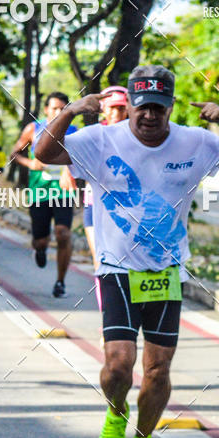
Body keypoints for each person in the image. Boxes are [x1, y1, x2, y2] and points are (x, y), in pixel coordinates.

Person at [36, 64, 219, 438]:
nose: (149, 116)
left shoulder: (194, 142)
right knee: (119, 365)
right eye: (142, 107)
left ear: (170, 106)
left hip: (166, 270)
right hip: (116, 267)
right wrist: (68, 112)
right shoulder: (101, 139)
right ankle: (116, 414)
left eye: (158, 107)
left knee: (157, 371)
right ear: (131, 105)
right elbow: (44, 153)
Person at [11, 92, 78, 298]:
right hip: (39, 192)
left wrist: (71, 171)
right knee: (41, 240)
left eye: (63, 108)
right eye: (54, 108)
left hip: (64, 191)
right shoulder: (33, 129)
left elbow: (84, 158)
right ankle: (40, 250)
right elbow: (15, 153)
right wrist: (31, 163)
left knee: (63, 233)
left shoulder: (75, 132)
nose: (58, 112)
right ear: (47, 110)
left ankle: (60, 282)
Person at [83, 86, 129, 300]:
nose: (115, 113)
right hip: (94, 207)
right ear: (102, 110)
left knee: (127, 264)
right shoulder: (93, 135)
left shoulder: (137, 136)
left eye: (120, 108)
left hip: (127, 210)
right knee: (101, 263)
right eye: (110, 108)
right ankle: (107, 321)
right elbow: (69, 151)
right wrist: (66, 170)